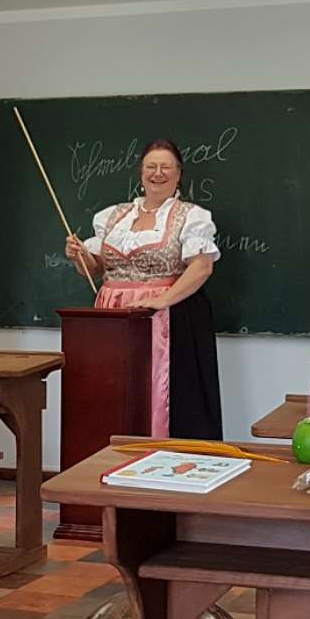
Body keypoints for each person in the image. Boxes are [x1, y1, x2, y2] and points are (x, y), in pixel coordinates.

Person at [63, 139, 223, 438]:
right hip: (114, 319)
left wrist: (161, 301)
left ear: (178, 174)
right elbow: (96, 269)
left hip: (169, 318)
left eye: (165, 167)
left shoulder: (190, 216)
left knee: (163, 393)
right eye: (151, 166)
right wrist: (79, 255)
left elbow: (202, 267)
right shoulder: (114, 216)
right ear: (141, 173)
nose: (157, 173)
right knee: (117, 392)